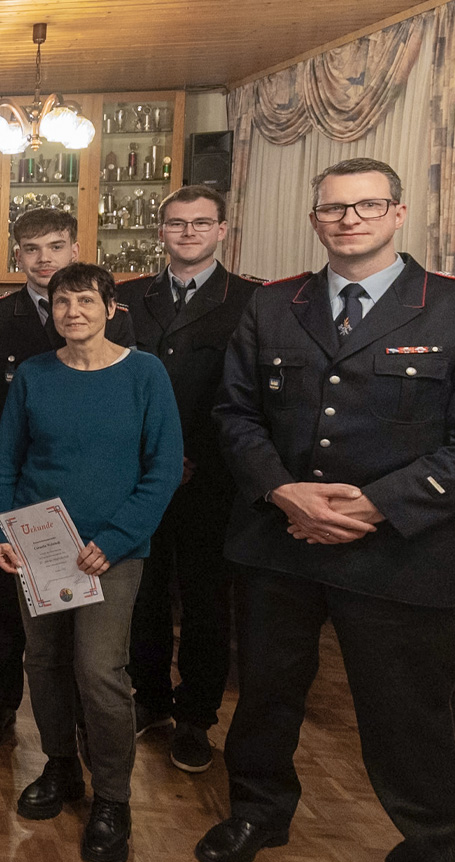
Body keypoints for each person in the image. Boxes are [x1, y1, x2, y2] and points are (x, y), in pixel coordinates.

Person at [198, 158, 455, 862]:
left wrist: (375, 506)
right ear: (315, 220)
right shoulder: (272, 305)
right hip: (280, 543)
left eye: (367, 206)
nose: (349, 219)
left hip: (403, 553)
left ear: (398, 214)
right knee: (265, 698)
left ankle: (429, 858)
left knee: (410, 717)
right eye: (334, 208)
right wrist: (283, 492)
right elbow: (234, 415)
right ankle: (259, 813)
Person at [0, 262, 182, 862]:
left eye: (85, 302)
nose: (73, 312)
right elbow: (5, 461)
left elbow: (164, 469)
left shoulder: (145, 374)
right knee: (42, 659)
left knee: (98, 669)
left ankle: (113, 797)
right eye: (62, 302)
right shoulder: (35, 376)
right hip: (40, 546)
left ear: (110, 308)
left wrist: (118, 537)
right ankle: (61, 766)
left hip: (110, 552)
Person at [0, 207, 136, 752]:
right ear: (17, 256)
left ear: (75, 249)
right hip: (21, 504)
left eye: (55, 247)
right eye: (31, 249)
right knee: (11, 619)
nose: (44, 260)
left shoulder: (115, 316)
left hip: (95, 502)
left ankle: (86, 724)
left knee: (89, 637)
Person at [118, 185, 259, 772]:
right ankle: (148, 698)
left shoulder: (253, 299)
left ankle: (196, 717)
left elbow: (248, 395)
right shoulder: (126, 298)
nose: (189, 233)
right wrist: (153, 455)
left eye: (202, 223)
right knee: (142, 596)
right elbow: (112, 383)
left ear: (222, 230)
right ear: (161, 231)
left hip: (212, 478)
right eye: (177, 224)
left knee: (205, 601)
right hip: (135, 475)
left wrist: (189, 454)